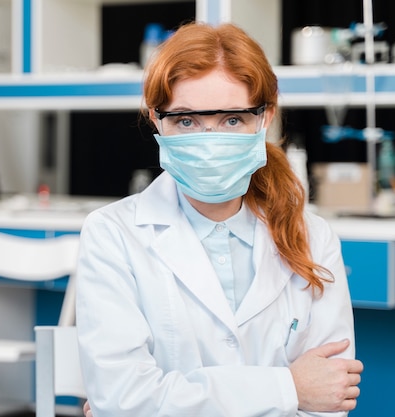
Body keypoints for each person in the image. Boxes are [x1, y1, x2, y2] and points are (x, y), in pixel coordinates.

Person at [75, 21, 363, 417]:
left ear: (265, 118)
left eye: (231, 120)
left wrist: (169, 397)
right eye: (186, 121)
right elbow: (124, 400)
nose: (208, 140)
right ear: (157, 120)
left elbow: (329, 398)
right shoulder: (112, 234)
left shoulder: (313, 237)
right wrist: (288, 387)